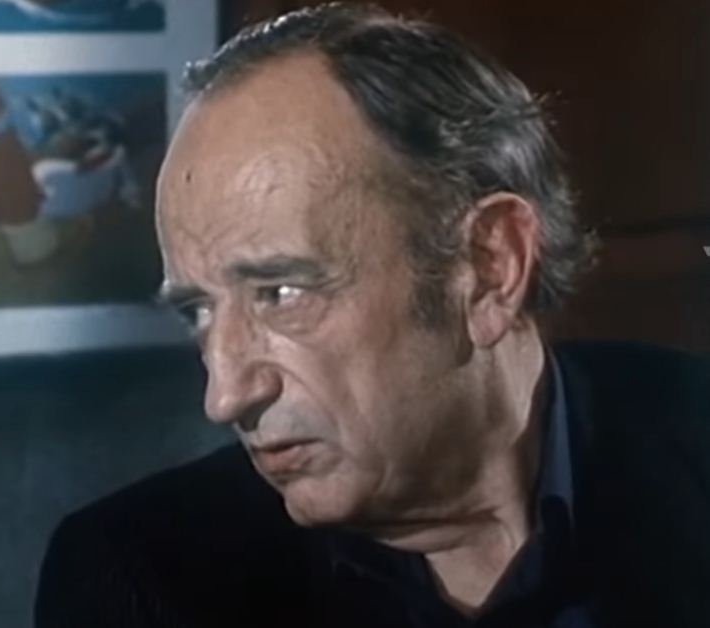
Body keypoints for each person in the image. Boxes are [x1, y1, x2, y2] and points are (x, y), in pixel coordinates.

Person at [35, 4, 710, 627]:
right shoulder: (137, 577)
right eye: (199, 311)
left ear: (488, 266)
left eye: (281, 292)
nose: (225, 396)